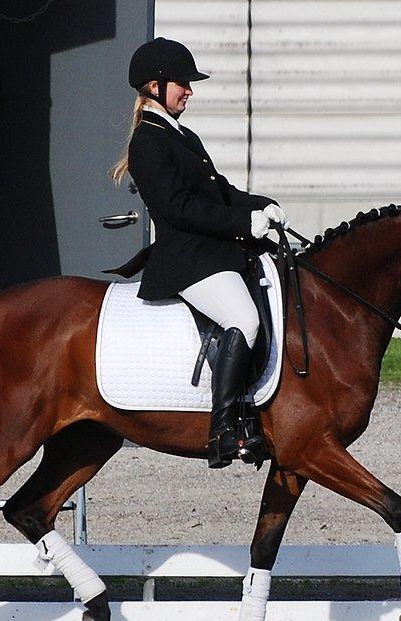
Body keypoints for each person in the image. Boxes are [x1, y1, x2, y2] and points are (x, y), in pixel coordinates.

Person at [109, 37, 289, 469]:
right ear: (155, 86)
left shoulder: (181, 134)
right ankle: (224, 431)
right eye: (182, 84)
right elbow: (179, 209)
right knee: (243, 319)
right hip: (185, 257)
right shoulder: (148, 142)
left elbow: (219, 191)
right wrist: (243, 224)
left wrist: (259, 204)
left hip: (210, 249)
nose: (189, 90)